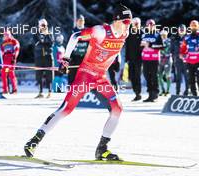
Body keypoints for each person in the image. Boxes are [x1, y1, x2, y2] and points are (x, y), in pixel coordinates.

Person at [24, 4, 132, 161]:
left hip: (100, 78)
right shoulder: (101, 31)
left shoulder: (125, 33)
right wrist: (66, 59)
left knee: (118, 109)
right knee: (65, 109)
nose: (127, 26)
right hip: (85, 75)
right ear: (116, 20)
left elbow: (117, 49)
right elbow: (75, 36)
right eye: (125, 22)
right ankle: (33, 142)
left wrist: (117, 61)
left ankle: (102, 149)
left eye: (129, 22)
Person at [180, 20, 199, 96]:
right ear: (190, 27)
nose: (193, 27)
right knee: (191, 80)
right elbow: (183, 48)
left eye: (195, 26)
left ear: (198, 27)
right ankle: (195, 96)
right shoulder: (186, 38)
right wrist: (182, 54)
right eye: (192, 26)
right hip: (189, 62)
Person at [141, 19, 164, 102]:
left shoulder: (157, 35)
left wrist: (150, 45)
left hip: (154, 59)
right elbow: (140, 46)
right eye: (149, 25)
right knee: (147, 76)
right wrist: (141, 46)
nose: (150, 26)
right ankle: (150, 94)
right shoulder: (144, 35)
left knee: (154, 76)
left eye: (152, 25)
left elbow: (161, 46)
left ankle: (155, 94)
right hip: (145, 58)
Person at [34, 18, 54, 98]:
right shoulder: (36, 34)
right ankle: (40, 92)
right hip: (39, 57)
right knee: (39, 75)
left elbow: (51, 43)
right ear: (39, 26)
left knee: (49, 75)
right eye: (41, 25)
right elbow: (36, 44)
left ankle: (49, 92)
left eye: (44, 25)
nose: (43, 27)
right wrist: (45, 43)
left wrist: (46, 36)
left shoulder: (49, 33)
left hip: (48, 56)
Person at [125, 17, 143, 101]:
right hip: (130, 59)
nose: (135, 25)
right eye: (134, 23)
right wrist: (126, 58)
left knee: (137, 76)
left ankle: (138, 93)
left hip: (139, 59)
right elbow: (127, 47)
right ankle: (136, 92)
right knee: (131, 76)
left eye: (137, 23)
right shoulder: (129, 33)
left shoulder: (142, 33)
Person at [68, 15, 89, 85]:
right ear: (76, 21)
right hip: (74, 57)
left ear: (84, 22)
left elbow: (90, 43)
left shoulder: (87, 31)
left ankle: (83, 92)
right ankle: (71, 91)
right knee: (72, 75)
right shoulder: (72, 31)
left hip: (84, 57)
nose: (80, 22)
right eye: (79, 20)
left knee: (83, 76)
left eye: (82, 20)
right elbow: (69, 44)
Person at [171, 24, 189, 95]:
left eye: (183, 29)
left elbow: (190, 49)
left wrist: (186, 55)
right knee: (178, 77)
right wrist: (174, 56)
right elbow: (171, 49)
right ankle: (178, 91)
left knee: (187, 77)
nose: (181, 30)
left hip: (186, 60)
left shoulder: (188, 38)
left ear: (185, 30)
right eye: (180, 29)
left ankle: (187, 91)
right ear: (178, 30)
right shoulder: (174, 38)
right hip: (177, 60)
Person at [0, 30, 20, 94]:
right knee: (4, 74)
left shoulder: (14, 41)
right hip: (5, 62)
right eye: (5, 35)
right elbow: (1, 52)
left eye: (7, 34)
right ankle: (5, 90)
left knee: (11, 74)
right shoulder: (3, 43)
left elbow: (17, 50)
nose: (6, 36)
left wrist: (14, 58)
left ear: (10, 34)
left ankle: (14, 90)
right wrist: (1, 61)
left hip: (11, 61)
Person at [158, 30, 172, 96]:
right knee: (159, 76)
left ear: (166, 35)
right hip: (160, 60)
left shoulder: (169, 41)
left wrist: (162, 50)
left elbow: (167, 49)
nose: (163, 36)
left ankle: (168, 90)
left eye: (164, 35)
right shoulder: (158, 41)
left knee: (167, 75)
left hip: (167, 59)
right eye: (162, 35)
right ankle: (162, 90)